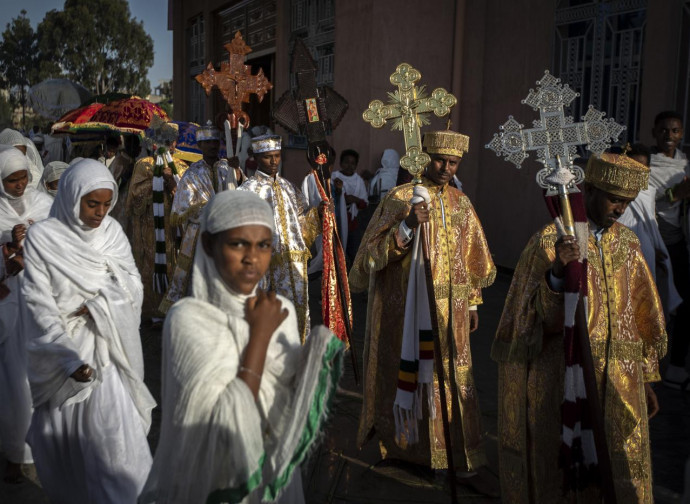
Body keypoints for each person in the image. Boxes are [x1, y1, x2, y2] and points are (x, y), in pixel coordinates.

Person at [139, 190, 343, 504]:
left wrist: (313, 365)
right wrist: (259, 337)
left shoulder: (280, 311)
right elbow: (215, 426)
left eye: (263, 245)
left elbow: (284, 397)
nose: (253, 258)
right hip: (216, 484)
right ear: (208, 244)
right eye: (238, 244)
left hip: (272, 478)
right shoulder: (188, 319)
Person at [492, 152, 667, 503]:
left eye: (628, 203)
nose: (621, 210)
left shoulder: (629, 244)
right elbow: (532, 318)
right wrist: (558, 273)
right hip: (563, 378)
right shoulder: (547, 242)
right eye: (615, 200)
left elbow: (643, 318)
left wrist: (646, 377)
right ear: (588, 190)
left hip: (621, 381)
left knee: (619, 470)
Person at [349, 129, 497, 495]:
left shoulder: (462, 203)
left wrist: (474, 301)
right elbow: (368, 258)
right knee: (413, 377)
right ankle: (409, 451)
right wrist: (408, 225)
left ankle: (460, 461)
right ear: (424, 155)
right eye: (440, 160)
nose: (446, 168)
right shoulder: (400, 199)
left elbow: (470, 258)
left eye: (454, 162)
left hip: (453, 313)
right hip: (407, 313)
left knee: (454, 381)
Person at [21, 159, 156, 503]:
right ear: (70, 196)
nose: (99, 212)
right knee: (66, 449)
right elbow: (38, 302)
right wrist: (68, 360)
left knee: (118, 450)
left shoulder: (112, 233)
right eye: (91, 203)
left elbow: (132, 287)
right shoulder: (43, 238)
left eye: (106, 204)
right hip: (64, 355)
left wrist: (100, 305)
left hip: (108, 352)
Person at [0, 147, 53, 483]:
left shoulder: (44, 205)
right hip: (9, 304)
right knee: (13, 383)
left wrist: (34, 236)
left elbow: (60, 244)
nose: (19, 185)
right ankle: (14, 453)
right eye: (11, 180)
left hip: (39, 300)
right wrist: (8, 246)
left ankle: (47, 450)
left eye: (23, 178)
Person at [238, 134, 321, 342]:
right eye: (268, 157)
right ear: (256, 158)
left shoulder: (289, 187)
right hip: (265, 266)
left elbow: (302, 222)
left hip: (294, 263)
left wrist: (319, 214)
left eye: (277, 156)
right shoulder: (247, 191)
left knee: (297, 311)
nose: (274, 161)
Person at [159, 120, 236, 314]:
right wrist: (211, 208)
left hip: (226, 231)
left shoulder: (227, 168)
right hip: (200, 234)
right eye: (207, 142)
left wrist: (238, 170)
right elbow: (182, 207)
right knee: (200, 277)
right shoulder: (192, 173)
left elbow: (238, 191)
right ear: (200, 145)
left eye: (215, 141)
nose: (212, 145)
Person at [126, 123, 188, 323]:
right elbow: (134, 196)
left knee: (174, 264)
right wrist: (155, 180)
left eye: (169, 141)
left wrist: (171, 183)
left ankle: (173, 309)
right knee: (149, 265)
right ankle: (152, 311)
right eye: (162, 141)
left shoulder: (181, 166)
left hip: (172, 227)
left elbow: (187, 199)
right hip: (148, 227)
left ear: (174, 144)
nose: (165, 145)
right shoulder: (143, 164)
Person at [647, 111, 690, 390]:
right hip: (649, 237)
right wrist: (675, 194)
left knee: (685, 302)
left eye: (675, 131)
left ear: (682, 134)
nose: (669, 136)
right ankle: (645, 367)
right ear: (654, 132)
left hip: (676, 239)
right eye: (664, 130)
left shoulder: (685, 164)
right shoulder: (645, 162)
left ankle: (675, 367)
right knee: (647, 302)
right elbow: (643, 200)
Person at [618, 143, 682, 320]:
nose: (636, 171)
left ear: (648, 169)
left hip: (646, 252)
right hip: (619, 249)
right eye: (632, 166)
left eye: (641, 167)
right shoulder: (614, 191)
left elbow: (650, 223)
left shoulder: (648, 193)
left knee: (645, 302)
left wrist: (655, 246)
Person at [331, 148, 368, 263]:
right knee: (335, 251)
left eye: (353, 163)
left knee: (353, 251)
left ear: (356, 165)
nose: (349, 166)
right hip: (337, 219)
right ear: (341, 163)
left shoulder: (359, 181)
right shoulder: (334, 177)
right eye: (346, 162)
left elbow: (364, 204)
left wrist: (355, 200)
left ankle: (351, 277)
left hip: (352, 222)